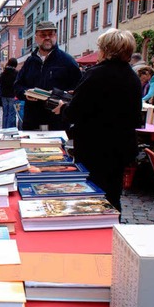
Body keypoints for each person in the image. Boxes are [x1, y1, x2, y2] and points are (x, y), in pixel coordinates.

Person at [54, 29, 141, 212]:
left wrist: (63, 107)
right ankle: (113, 226)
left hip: (95, 145)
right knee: (112, 194)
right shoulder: (132, 76)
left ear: (106, 50)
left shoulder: (96, 74)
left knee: (93, 193)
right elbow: (134, 116)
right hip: (121, 145)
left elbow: (75, 111)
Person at [14, 21, 82, 130]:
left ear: (55, 36)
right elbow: (17, 86)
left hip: (57, 123)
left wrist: (59, 96)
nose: (47, 38)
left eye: (50, 34)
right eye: (43, 35)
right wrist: (26, 94)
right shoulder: (30, 61)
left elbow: (78, 91)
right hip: (32, 121)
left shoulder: (67, 61)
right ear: (36, 38)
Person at [0, 58, 19, 129]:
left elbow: (0, 84)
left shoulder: (3, 73)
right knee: (12, 113)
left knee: (5, 113)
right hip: (12, 95)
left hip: (4, 95)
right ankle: (10, 129)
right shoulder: (16, 73)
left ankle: (4, 128)